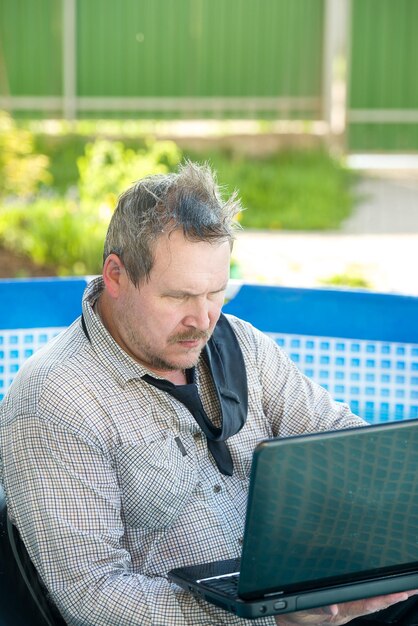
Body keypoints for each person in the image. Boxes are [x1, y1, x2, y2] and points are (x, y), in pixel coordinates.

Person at [0, 160, 416, 626]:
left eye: (215, 292)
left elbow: (347, 443)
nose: (202, 320)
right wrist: (273, 618)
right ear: (115, 276)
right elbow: (95, 598)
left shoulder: (240, 343)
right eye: (178, 297)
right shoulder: (53, 402)